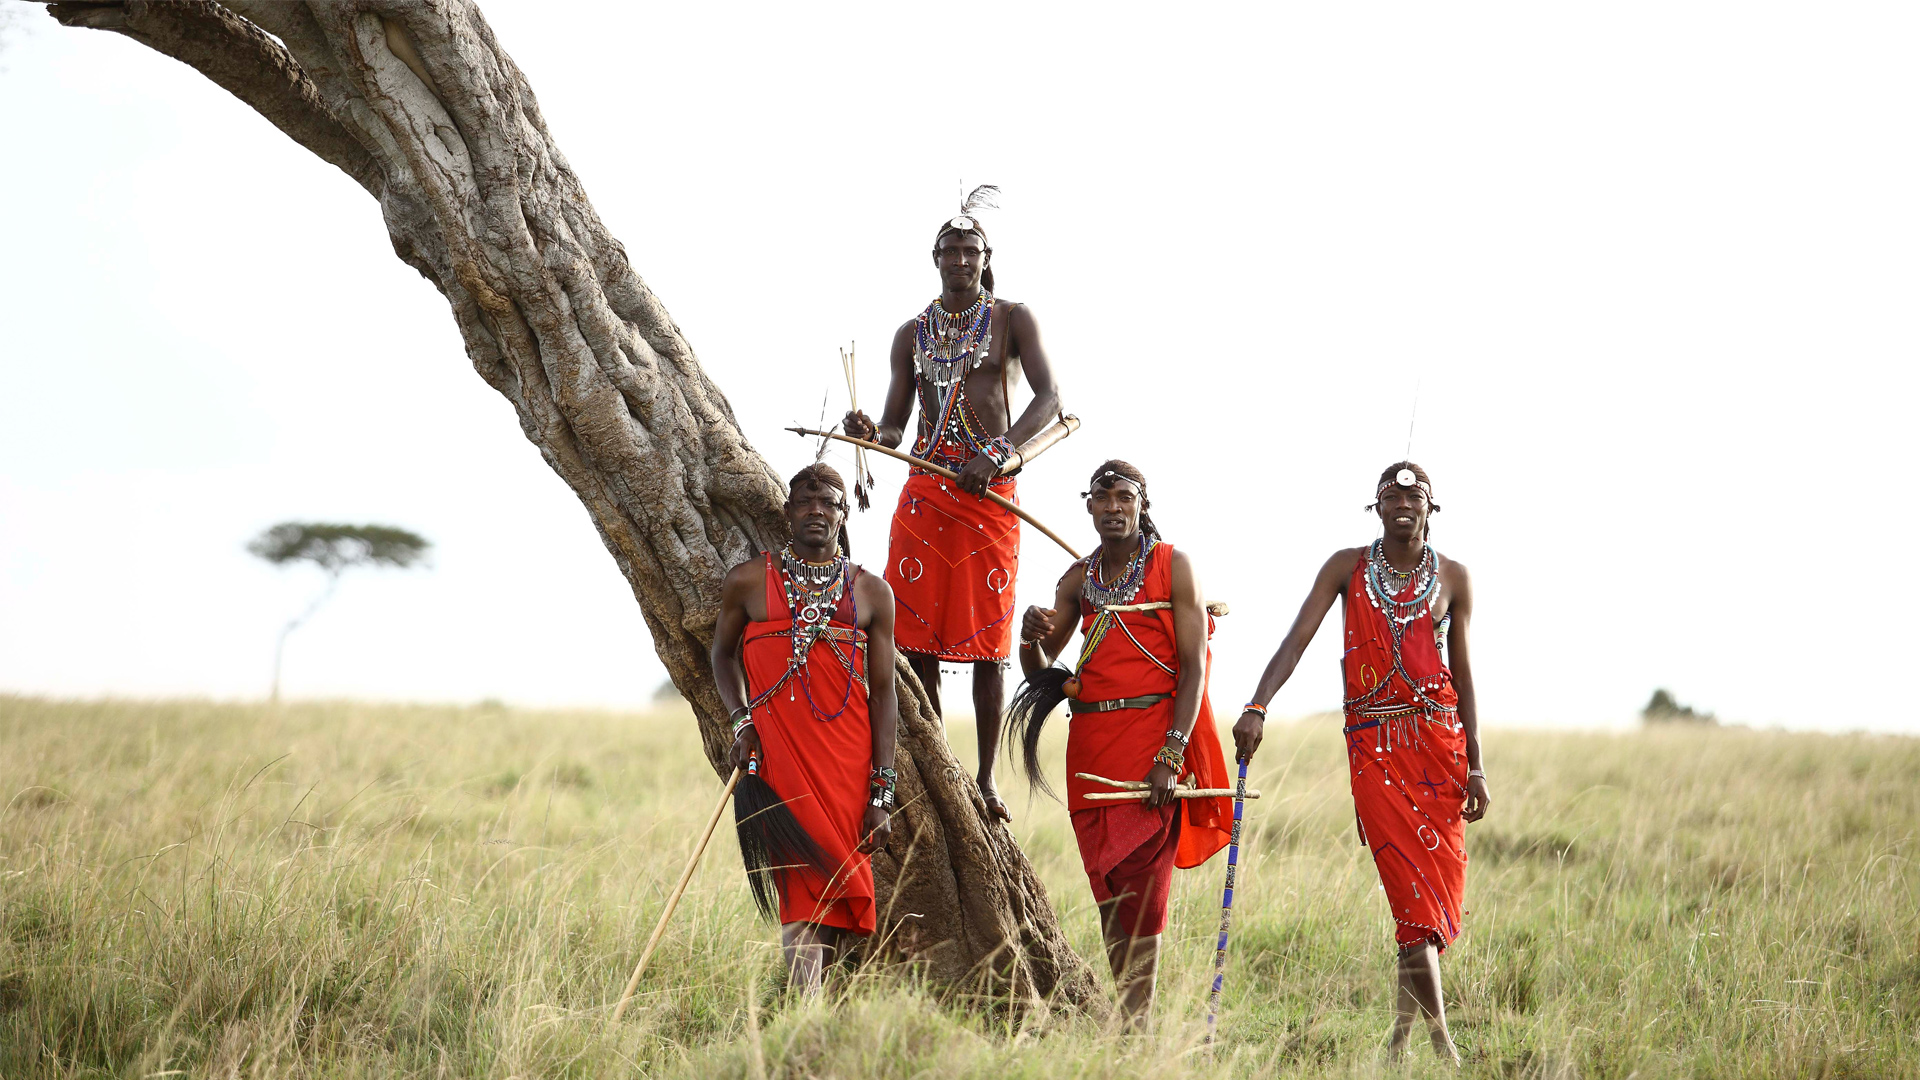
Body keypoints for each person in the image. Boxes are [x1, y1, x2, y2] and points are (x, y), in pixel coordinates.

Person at [1232, 462, 1491, 1062]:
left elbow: (1466, 674)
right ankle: (1443, 1046)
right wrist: (1257, 705)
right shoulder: (1345, 568)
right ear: (1374, 507)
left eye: (1415, 495)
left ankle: (1398, 1043)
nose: (1403, 502)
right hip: (1374, 751)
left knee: (1425, 904)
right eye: (1390, 496)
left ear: (1432, 506)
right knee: (1410, 896)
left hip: (1438, 750)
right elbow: (1295, 639)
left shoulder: (1454, 577)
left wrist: (1476, 764)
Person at [844, 186, 1062, 823]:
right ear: (934, 259)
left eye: (971, 250)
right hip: (925, 496)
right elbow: (894, 427)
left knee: (991, 642)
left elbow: (1049, 399)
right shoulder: (911, 333)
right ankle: (940, 766)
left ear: (986, 257)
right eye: (950, 250)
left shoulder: (1012, 319)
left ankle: (987, 779)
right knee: (918, 644)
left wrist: (999, 454)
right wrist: (867, 432)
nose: (961, 259)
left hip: (989, 495)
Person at [1005, 461, 1231, 1025]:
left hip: (1152, 748)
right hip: (1090, 750)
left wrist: (1172, 754)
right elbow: (1040, 671)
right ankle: (1131, 1016)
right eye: (1101, 498)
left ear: (1142, 504)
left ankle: (1136, 1023)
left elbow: (1193, 667)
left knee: (1143, 888)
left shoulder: (1174, 565)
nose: (1113, 507)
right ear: (1088, 507)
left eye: (1123, 497)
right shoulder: (1079, 580)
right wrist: (1029, 637)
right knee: (1107, 884)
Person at [710, 464, 898, 994]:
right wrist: (741, 720)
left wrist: (882, 790)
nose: (817, 509)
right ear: (788, 512)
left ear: (843, 515)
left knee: (839, 887)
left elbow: (885, 696)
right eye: (806, 501)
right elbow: (721, 656)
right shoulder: (748, 581)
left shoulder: (871, 593)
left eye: (830, 502)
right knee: (800, 887)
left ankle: (816, 1016)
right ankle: (806, 1017)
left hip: (848, 765)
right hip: (779, 761)